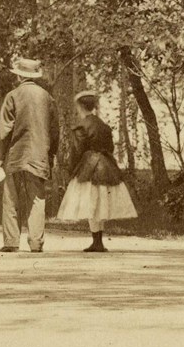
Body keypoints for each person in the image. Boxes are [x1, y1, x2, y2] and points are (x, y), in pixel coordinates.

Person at [56, 89, 138, 252]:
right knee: (100, 202)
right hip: (106, 165)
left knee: (91, 203)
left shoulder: (81, 126)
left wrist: (72, 169)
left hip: (89, 166)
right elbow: (110, 147)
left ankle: (97, 241)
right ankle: (98, 242)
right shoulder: (104, 126)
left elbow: (77, 150)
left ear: (80, 107)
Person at [0, 56, 59, 252]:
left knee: (11, 198)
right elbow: (55, 130)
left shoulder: (12, 96)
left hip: (16, 154)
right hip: (39, 155)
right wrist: (51, 154)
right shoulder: (47, 97)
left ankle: (11, 242)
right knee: (37, 199)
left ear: (19, 77)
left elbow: (5, 130)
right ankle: (36, 243)